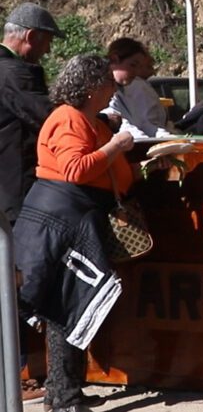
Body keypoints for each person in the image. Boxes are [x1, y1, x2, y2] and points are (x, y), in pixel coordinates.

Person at [14, 55, 139, 412]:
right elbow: (76, 169)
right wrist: (118, 144)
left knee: (64, 309)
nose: (112, 90)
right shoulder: (69, 118)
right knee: (64, 308)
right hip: (61, 220)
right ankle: (64, 396)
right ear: (92, 86)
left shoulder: (86, 119)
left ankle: (62, 394)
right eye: (108, 84)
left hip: (69, 219)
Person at [0, 1, 61, 403]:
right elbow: (46, 117)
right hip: (15, 190)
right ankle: (20, 371)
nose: (47, 52)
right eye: (45, 43)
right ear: (30, 37)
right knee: (21, 278)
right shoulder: (17, 71)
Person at [106, 38, 172, 139]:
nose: (136, 72)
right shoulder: (100, 89)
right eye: (133, 65)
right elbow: (122, 125)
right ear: (115, 59)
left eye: (139, 67)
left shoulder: (127, 89)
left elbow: (143, 123)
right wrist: (145, 140)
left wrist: (165, 137)